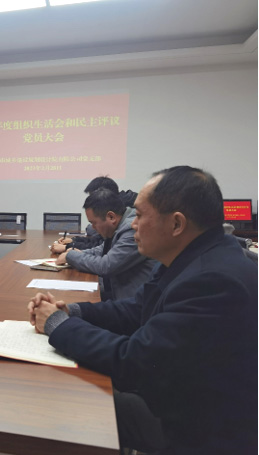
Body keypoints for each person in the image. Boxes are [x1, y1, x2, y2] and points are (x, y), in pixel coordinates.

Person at [28, 166, 257, 454]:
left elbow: (134, 362)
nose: (133, 224)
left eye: (138, 215)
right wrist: (74, 312)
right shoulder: (191, 256)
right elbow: (137, 310)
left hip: (202, 432)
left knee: (75, 401)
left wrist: (58, 325)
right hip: (183, 399)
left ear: (176, 224)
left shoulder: (213, 281)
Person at [55, 188, 156, 300]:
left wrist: (71, 256)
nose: (93, 228)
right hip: (118, 294)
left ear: (111, 217)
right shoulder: (120, 226)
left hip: (131, 303)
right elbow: (101, 250)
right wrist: (77, 252)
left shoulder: (131, 230)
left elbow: (106, 266)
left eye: (94, 223)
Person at [51, 176, 138, 253]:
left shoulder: (129, 225)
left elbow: (106, 259)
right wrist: (74, 241)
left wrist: (69, 247)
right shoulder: (119, 210)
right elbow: (100, 244)